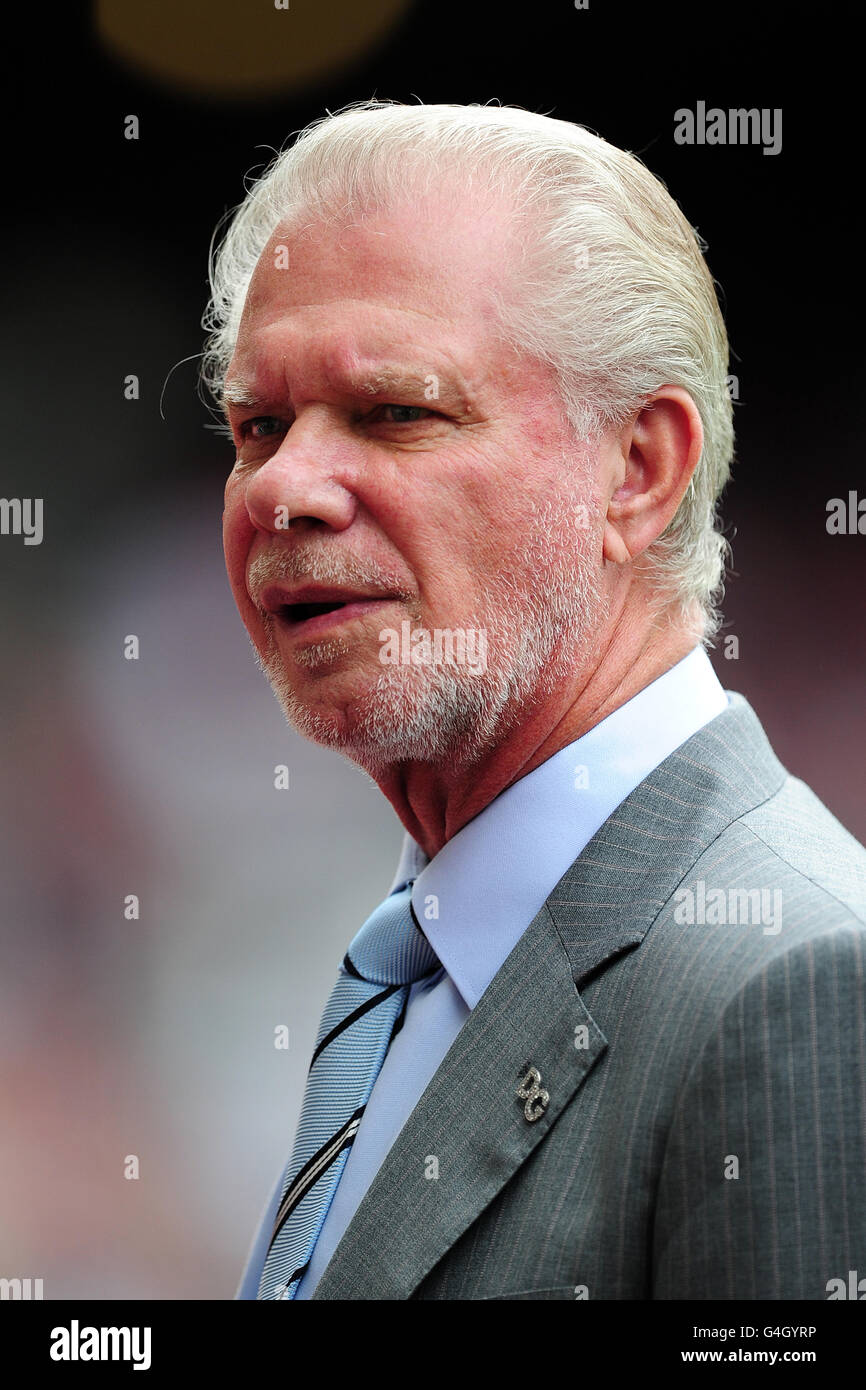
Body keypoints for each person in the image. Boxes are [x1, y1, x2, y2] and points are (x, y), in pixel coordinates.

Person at [202, 100, 866, 1300]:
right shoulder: (421, 952)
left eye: (393, 411)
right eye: (257, 426)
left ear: (636, 469)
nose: (284, 486)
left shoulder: (797, 982)